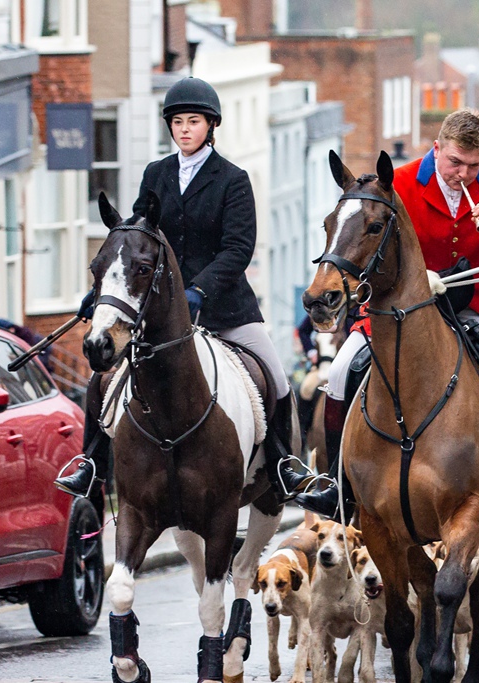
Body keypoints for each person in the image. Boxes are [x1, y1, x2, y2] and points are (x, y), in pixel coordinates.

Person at [294, 109, 479, 522]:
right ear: (437, 148)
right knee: (340, 370)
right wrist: (421, 279)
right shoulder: (397, 184)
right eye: (455, 162)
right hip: (407, 302)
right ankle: (336, 484)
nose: (464, 174)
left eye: (474, 165)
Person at [56, 77, 311, 500]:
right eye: (177, 122)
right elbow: (136, 236)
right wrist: (105, 291)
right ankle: (92, 464)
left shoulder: (233, 179)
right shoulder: (156, 174)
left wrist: (199, 289)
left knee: (276, 377)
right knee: (103, 381)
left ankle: (285, 463)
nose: (185, 129)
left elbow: (238, 248)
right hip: (159, 314)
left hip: (226, 309)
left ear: (211, 126)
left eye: (194, 121)